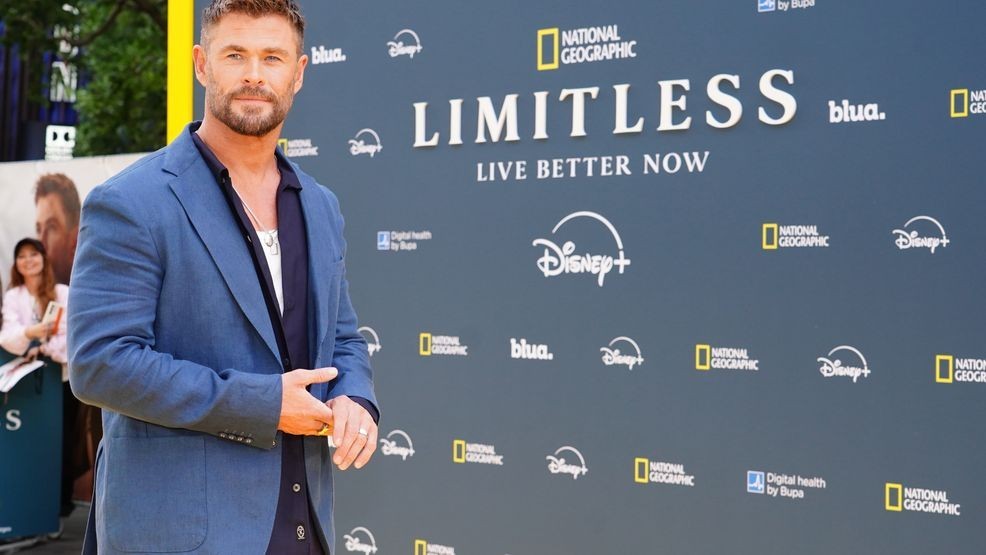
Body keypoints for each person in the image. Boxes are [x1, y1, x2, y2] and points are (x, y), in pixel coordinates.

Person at [67, 1, 379, 553]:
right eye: (235, 54)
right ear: (201, 64)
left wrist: (355, 397)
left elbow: (344, 338)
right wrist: (263, 403)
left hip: (306, 522)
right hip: (182, 535)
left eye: (272, 57)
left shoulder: (322, 206)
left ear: (299, 73)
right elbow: (99, 365)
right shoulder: (132, 201)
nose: (255, 74)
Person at [0, 238, 78, 520]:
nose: (28, 260)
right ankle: (31, 504)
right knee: (32, 441)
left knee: (62, 440)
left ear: (44, 259)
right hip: (27, 383)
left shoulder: (62, 292)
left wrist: (45, 347)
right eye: (22, 256)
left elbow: (71, 338)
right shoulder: (13, 296)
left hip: (62, 381)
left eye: (34, 254)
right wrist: (33, 333)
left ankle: (58, 506)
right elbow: (8, 338)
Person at [34, 173, 81, 286]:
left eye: (51, 228)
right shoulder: (24, 289)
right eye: (39, 229)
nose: (41, 241)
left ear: (75, 235)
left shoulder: (91, 287)